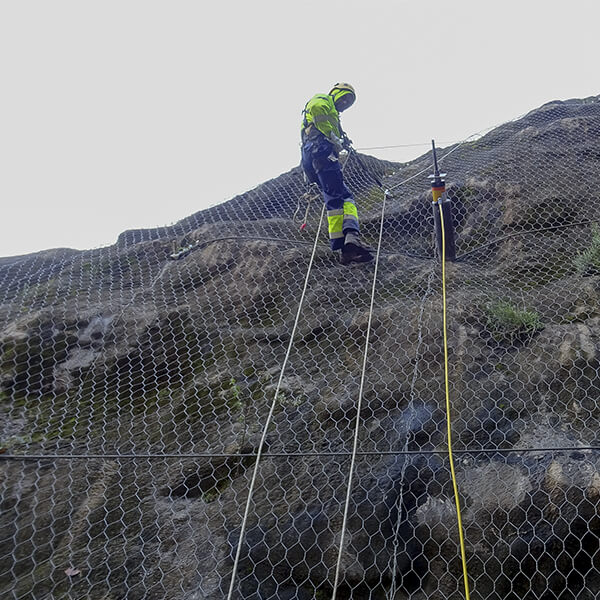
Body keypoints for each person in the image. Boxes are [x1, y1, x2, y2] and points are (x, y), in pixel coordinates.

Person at [300, 83, 373, 265]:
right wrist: (334, 138)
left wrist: (340, 138)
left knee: (334, 199)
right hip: (322, 153)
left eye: (349, 101)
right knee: (345, 198)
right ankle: (351, 237)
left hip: (313, 158)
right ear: (335, 93)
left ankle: (344, 248)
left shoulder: (332, 116)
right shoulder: (323, 100)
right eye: (345, 97)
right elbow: (317, 109)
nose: (346, 102)